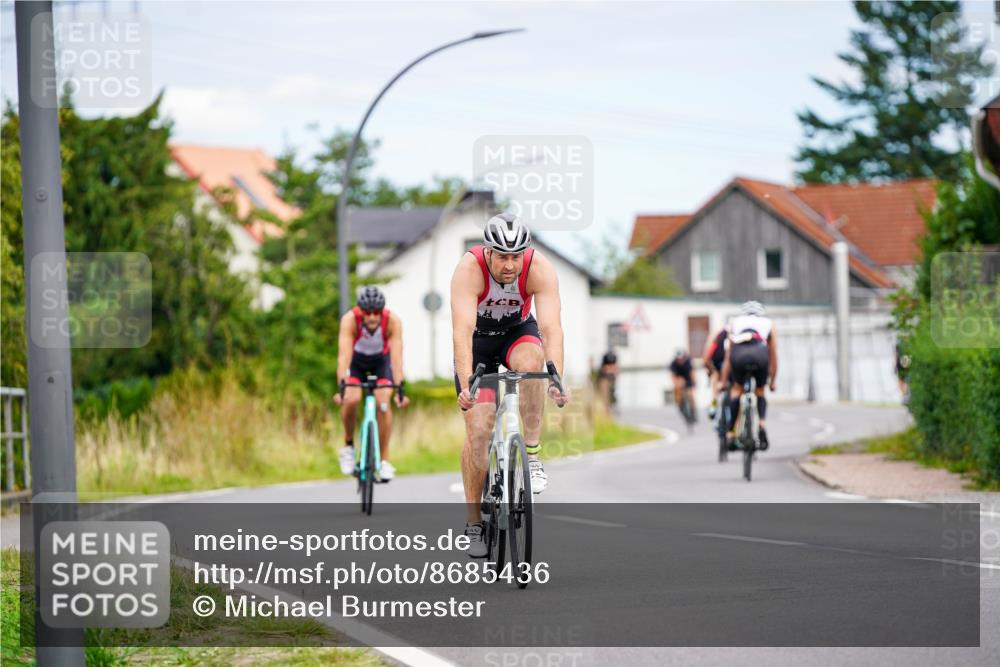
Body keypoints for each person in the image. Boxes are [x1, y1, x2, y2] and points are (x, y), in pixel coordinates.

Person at [451, 212, 569, 557]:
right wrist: (464, 383)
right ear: (488, 251)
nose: (509, 265)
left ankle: (530, 453)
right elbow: (461, 332)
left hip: (518, 333)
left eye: (515, 256)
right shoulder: (469, 269)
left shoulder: (540, 268)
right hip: (479, 344)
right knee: (478, 429)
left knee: (533, 363)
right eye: (502, 256)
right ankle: (474, 521)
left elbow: (552, 329)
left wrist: (557, 376)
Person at [334, 286, 409, 481]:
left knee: (383, 402)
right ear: (361, 311)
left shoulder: (393, 321)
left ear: (382, 311)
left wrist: (400, 389)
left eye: (377, 312)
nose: (373, 317)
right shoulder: (350, 320)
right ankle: (349, 446)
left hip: (381, 362)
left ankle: (384, 460)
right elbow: (343, 357)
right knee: (351, 399)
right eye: (368, 312)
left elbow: (396, 358)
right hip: (356, 362)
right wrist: (341, 388)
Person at [720, 300, 777, 450]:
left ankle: (731, 432)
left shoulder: (735, 322)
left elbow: (728, 356)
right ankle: (762, 424)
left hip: (739, 353)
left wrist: (723, 381)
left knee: (737, 390)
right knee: (759, 391)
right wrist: (773, 381)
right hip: (760, 353)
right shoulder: (768, 323)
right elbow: (773, 354)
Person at [702, 324, 730, 419]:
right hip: (732, 361)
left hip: (718, 360)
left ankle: (714, 402)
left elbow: (706, 355)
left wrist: (709, 370)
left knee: (715, 375)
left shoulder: (717, 332)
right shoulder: (737, 332)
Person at [669, 348, 696, 421]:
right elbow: (673, 377)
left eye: (681, 359)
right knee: (677, 392)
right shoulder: (673, 364)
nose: (680, 361)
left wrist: (694, 383)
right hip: (679, 379)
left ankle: (693, 411)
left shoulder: (688, 362)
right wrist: (677, 384)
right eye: (678, 359)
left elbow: (692, 373)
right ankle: (680, 405)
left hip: (688, 379)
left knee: (690, 395)